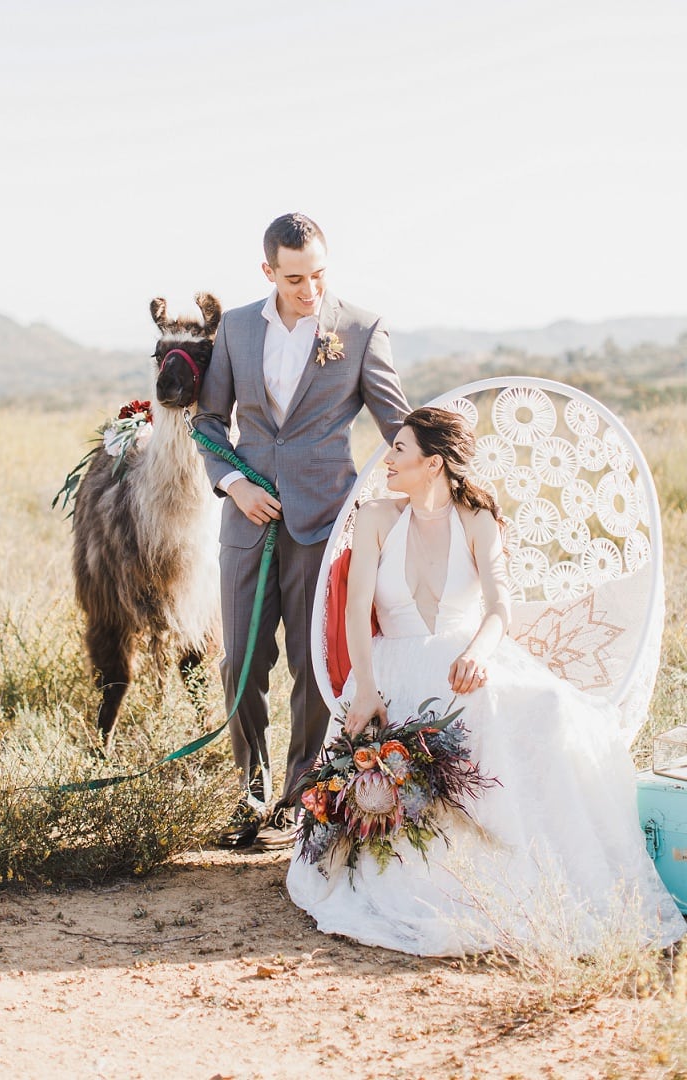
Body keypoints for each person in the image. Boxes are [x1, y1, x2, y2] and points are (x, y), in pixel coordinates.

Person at [286, 407, 685, 955]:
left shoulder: (477, 520)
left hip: (464, 657)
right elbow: (356, 612)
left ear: (433, 464)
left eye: (399, 450)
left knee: (545, 707)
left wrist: (476, 651)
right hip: (393, 664)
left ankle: (536, 859)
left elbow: (500, 609)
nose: (386, 460)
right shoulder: (376, 516)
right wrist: (366, 687)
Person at [193, 212, 410, 849]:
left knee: (314, 670)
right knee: (239, 664)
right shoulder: (233, 330)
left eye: (318, 274)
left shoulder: (362, 329)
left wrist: (442, 471)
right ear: (269, 272)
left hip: (325, 523)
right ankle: (249, 795)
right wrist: (236, 484)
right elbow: (208, 424)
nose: (309, 288)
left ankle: (298, 800)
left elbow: (399, 427)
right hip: (247, 524)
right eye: (294, 278)